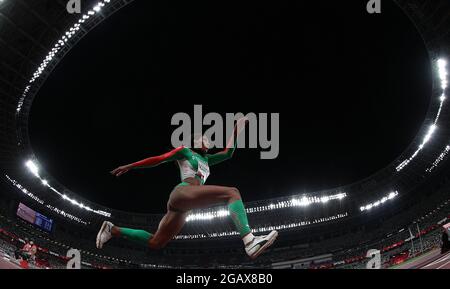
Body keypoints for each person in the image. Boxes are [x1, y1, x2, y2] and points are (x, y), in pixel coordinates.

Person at [96, 118, 278, 259]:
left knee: (156, 242)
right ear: (195, 142)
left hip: (184, 207)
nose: (207, 141)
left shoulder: (207, 160)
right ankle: (249, 241)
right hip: (182, 193)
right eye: (203, 138)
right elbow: (158, 159)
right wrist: (131, 165)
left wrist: (237, 128)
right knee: (232, 193)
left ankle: (112, 229)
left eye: (208, 139)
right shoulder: (185, 151)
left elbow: (228, 153)